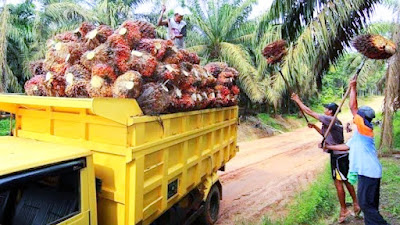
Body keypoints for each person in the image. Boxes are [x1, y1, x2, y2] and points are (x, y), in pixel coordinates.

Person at [323, 78, 388, 225]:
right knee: (370, 206)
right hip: (369, 172)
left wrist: (353, 87)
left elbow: (353, 106)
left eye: (357, 115)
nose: (354, 116)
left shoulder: (365, 129)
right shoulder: (359, 134)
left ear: (361, 118)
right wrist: (329, 147)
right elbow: (346, 146)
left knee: (366, 206)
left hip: (369, 172)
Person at [291, 93, 360, 223]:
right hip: (341, 156)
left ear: (330, 111)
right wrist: (315, 127)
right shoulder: (334, 122)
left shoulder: (330, 119)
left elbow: (309, 111)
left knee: (339, 183)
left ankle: (344, 210)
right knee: (345, 181)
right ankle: (356, 204)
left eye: (326, 108)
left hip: (338, 158)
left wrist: (298, 100)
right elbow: (325, 134)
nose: (324, 110)